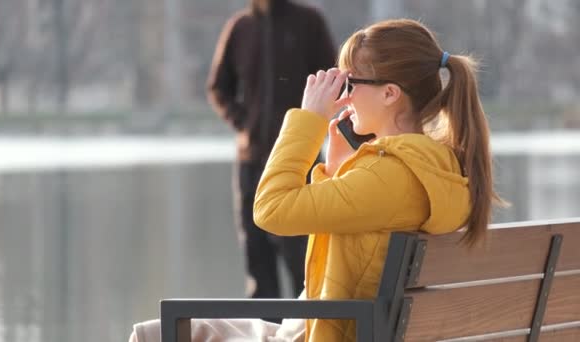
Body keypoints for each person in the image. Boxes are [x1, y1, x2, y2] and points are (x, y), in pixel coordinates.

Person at [129, 18, 504, 342]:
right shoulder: (440, 167)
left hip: (329, 333)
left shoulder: (390, 175)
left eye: (352, 83)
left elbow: (270, 210)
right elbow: (363, 239)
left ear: (390, 93)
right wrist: (338, 166)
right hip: (352, 327)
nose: (344, 95)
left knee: (159, 332)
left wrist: (308, 120)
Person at [206, 0, 336, 300]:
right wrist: (244, 124)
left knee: (303, 262)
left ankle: (308, 330)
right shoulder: (240, 28)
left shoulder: (308, 22)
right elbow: (218, 87)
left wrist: (312, 127)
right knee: (257, 262)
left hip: (301, 160)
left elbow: (332, 80)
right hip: (251, 162)